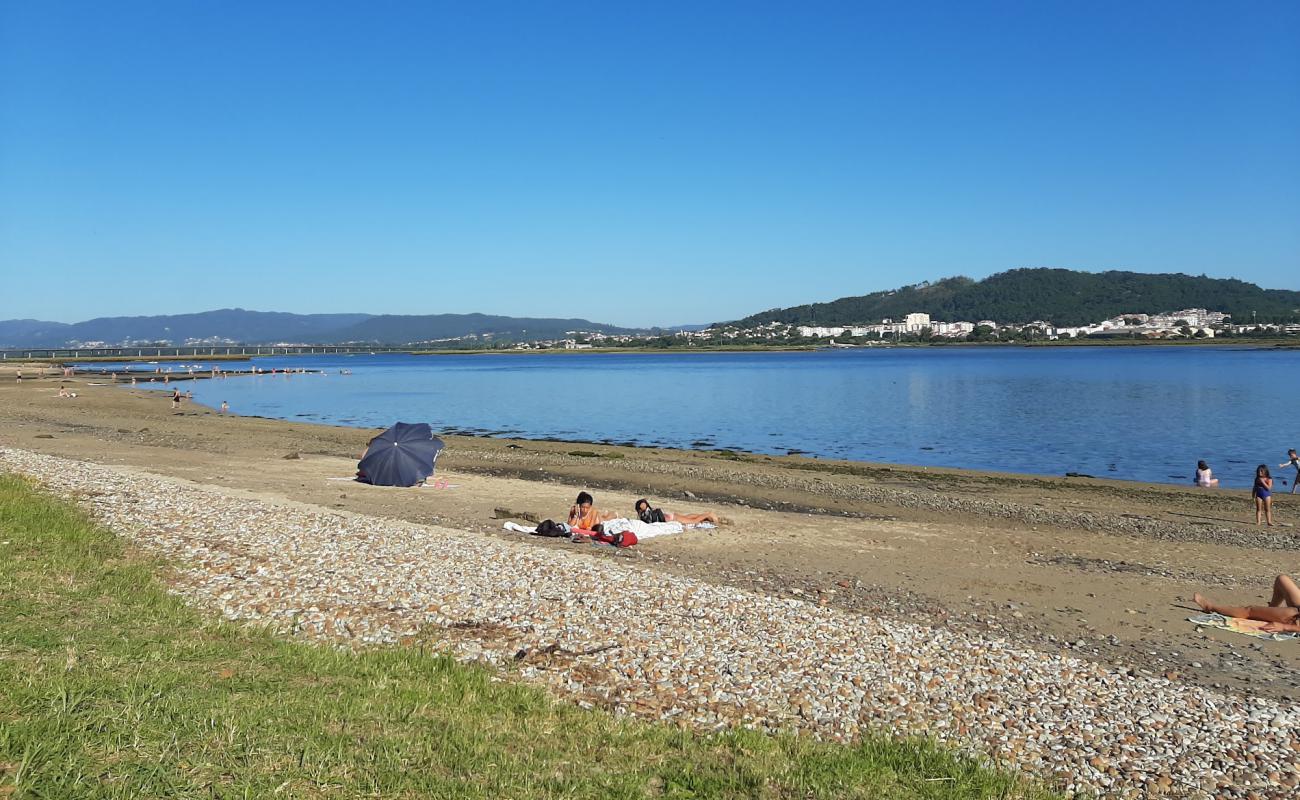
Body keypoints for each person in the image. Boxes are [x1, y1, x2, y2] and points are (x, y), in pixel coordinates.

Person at [1193, 575, 1300, 633]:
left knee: (1249, 610)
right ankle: (1271, 611)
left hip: (1295, 617)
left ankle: (1210, 607)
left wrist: (1284, 627)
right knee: (1282, 579)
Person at [634, 498, 721, 526]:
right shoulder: (646, 512)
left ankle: (708, 514)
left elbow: (649, 520)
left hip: (671, 518)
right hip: (671, 516)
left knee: (693, 521)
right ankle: (706, 517)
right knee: (687, 517)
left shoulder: (646, 513)